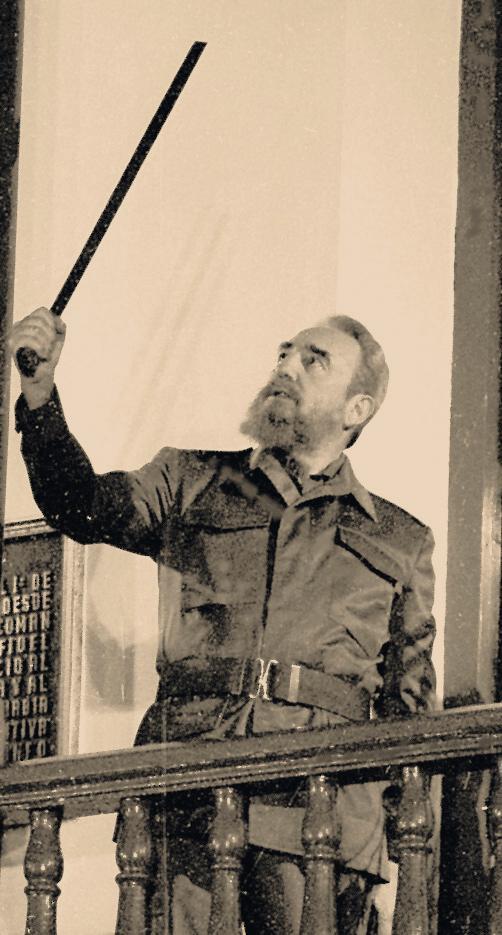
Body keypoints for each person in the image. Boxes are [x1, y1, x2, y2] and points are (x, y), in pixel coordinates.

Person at [10, 307, 436, 934]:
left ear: (357, 409)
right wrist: (40, 394)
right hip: (187, 794)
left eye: (313, 360)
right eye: (284, 353)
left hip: (319, 814)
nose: (286, 366)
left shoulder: (401, 538)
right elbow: (80, 504)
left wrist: (407, 861)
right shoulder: (190, 480)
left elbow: (411, 712)